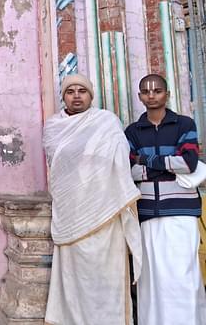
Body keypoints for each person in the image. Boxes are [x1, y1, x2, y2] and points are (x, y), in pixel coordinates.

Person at [43, 74, 142, 325]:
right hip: (72, 213)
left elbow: (119, 163)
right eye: (70, 91)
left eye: (82, 91)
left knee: (106, 275)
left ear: (91, 95)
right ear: (63, 96)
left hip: (105, 213)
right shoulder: (53, 127)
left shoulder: (107, 122)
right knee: (75, 277)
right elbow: (58, 169)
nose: (76, 95)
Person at [125, 73, 206, 324]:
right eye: (146, 92)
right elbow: (129, 170)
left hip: (181, 212)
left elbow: (189, 162)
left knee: (183, 276)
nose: (152, 95)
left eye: (157, 90)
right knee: (153, 277)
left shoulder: (184, 124)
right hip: (148, 212)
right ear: (140, 97)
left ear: (166, 94)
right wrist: (168, 165)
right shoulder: (133, 131)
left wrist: (147, 162)